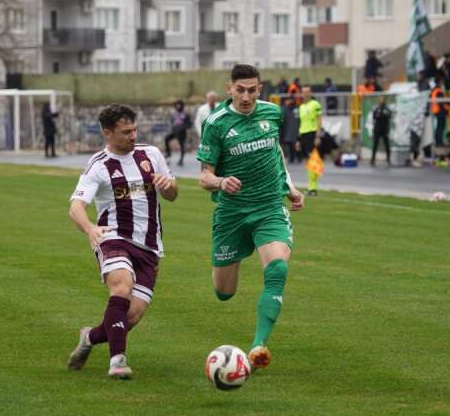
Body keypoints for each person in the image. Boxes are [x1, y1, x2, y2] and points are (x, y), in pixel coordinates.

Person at [197, 64, 305, 371]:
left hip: (269, 207)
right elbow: (204, 176)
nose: (246, 96)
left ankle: (259, 345)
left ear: (260, 89)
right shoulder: (216, 123)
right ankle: (231, 263)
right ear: (229, 89)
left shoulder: (272, 114)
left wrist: (290, 188)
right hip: (232, 213)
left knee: (278, 268)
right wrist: (220, 182)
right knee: (224, 292)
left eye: (252, 90)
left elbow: (276, 154)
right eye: (240, 90)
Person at [67, 105, 178, 379]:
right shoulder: (99, 165)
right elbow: (76, 206)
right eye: (125, 132)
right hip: (112, 236)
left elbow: (173, 195)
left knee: (131, 316)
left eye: (134, 130)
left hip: (150, 246)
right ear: (107, 133)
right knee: (121, 285)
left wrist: (169, 186)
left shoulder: (150, 155)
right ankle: (118, 361)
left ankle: (89, 338)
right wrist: (89, 228)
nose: (132, 136)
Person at [297, 86, 324, 195]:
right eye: (303, 92)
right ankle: (311, 187)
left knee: (314, 162)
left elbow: (319, 121)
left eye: (307, 92)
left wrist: (318, 136)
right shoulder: (301, 107)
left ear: (310, 93)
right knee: (309, 162)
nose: (305, 94)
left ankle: (313, 188)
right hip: (303, 135)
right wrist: (298, 140)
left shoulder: (315, 104)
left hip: (312, 135)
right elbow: (301, 123)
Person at [162, 100, 191, 166]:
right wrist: (173, 127)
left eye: (179, 105)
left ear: (182, 106)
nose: (178, 106)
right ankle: (168, 153)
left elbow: (189, 124)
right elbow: (172, 121)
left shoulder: (185, 114)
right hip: (175, 131)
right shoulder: (175, 114)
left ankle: (181, 160)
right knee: (167, 138)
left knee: (182, 145)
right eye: (177, 105)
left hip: (182, 132)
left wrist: (182, 127)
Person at [370, 99, 392, 167]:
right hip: (377, 129)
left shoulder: (387, 109)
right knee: (375, 144)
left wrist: (380, 115)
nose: (381, 101)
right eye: (380, 100)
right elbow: (374, 116)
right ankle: (373, 159)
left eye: (383, 100)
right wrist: (381, 115)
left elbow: (388, 115)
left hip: (385, 129)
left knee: (387, 144)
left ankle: (388, 159)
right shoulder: (377, 108)